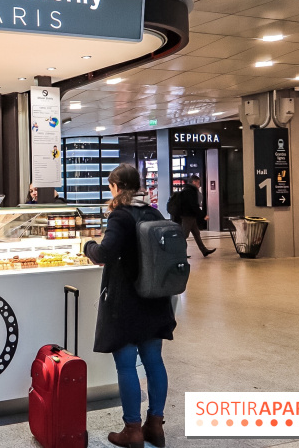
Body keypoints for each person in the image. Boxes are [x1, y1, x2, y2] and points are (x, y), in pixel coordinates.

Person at [83, 165, 176, 448]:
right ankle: (156, 427)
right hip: (155, 298)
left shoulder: (120, 216)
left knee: (126, 364)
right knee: (154, 361)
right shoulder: (153, 212)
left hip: (126, 302)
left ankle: (132, 430)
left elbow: (104, 254)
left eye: (110, 185)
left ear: (117, 187)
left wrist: (88, 246)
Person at [178, 175, 216, 257]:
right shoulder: (190, 191)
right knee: (184, 235)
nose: (199, 184)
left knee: (196, 234)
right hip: (187, 216)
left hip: (190, 216)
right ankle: (180, 254)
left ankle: (204, 250)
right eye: (198, 182)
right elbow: (193, 205)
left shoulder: (189, 190)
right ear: (193, 182)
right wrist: (203, 215)